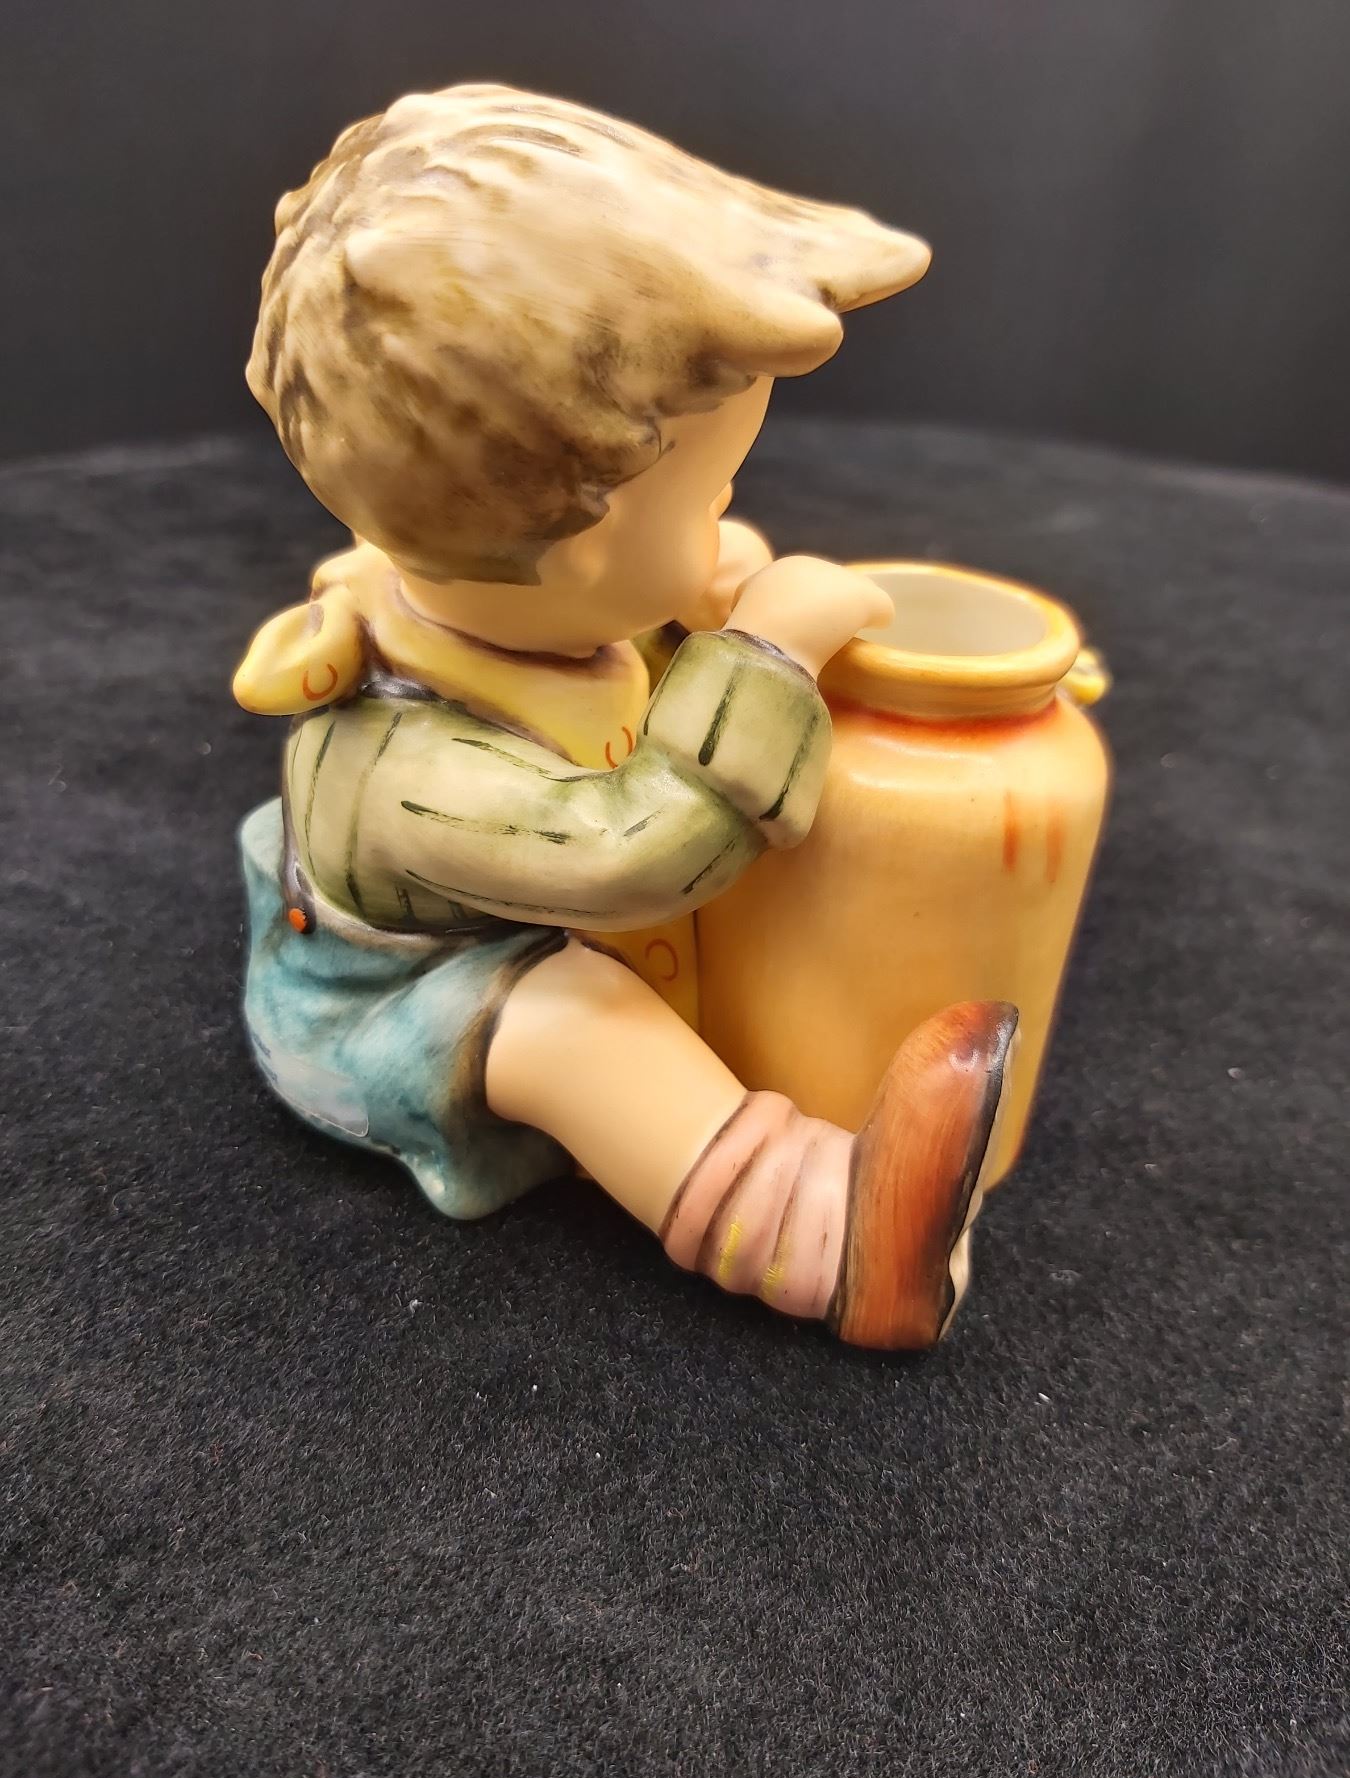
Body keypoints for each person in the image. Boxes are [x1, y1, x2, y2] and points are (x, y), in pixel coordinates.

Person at [235, 83, 1017, 1351]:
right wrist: (762, 655)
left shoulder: (558, 615)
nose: (731, 520)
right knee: (575, 1025)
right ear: (586, 549)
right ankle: (836, 1239)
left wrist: (694, 604)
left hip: (555, 880)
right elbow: (634, 852)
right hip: (397, 1007)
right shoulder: (405, 768)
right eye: (712, 498)